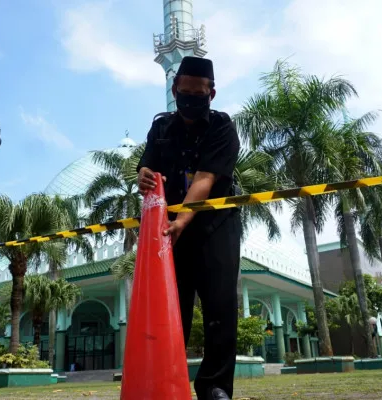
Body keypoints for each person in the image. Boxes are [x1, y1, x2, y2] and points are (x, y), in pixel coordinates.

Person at [136, 56, 242, 400]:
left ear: (211, 94)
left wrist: (183, 218)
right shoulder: (161, 128)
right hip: (170, 233)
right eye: (185, 92)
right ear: (174, 89)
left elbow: (206, 178)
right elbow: (146, 170)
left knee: (220, 308)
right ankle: (169, 384)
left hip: (216, 229)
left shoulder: (222, 127)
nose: (191, 100)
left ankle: (214, 387)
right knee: (172, 309)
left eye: (199, 94)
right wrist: (143, 177)